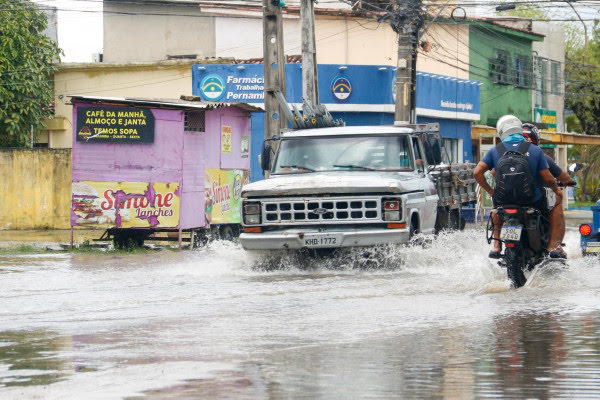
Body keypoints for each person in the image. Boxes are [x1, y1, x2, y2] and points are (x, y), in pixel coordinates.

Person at [473, 115, 565, 259]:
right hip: (532, 200)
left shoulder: (495, 151)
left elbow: (477, 173)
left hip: (504, 200)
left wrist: (491, 191)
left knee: (495, 207)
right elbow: (547, 178)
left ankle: (496, 246)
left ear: (501, 131)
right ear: (519, 129)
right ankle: (554, 246)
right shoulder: (535, 150)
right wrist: (557, 190)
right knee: (557, 201)